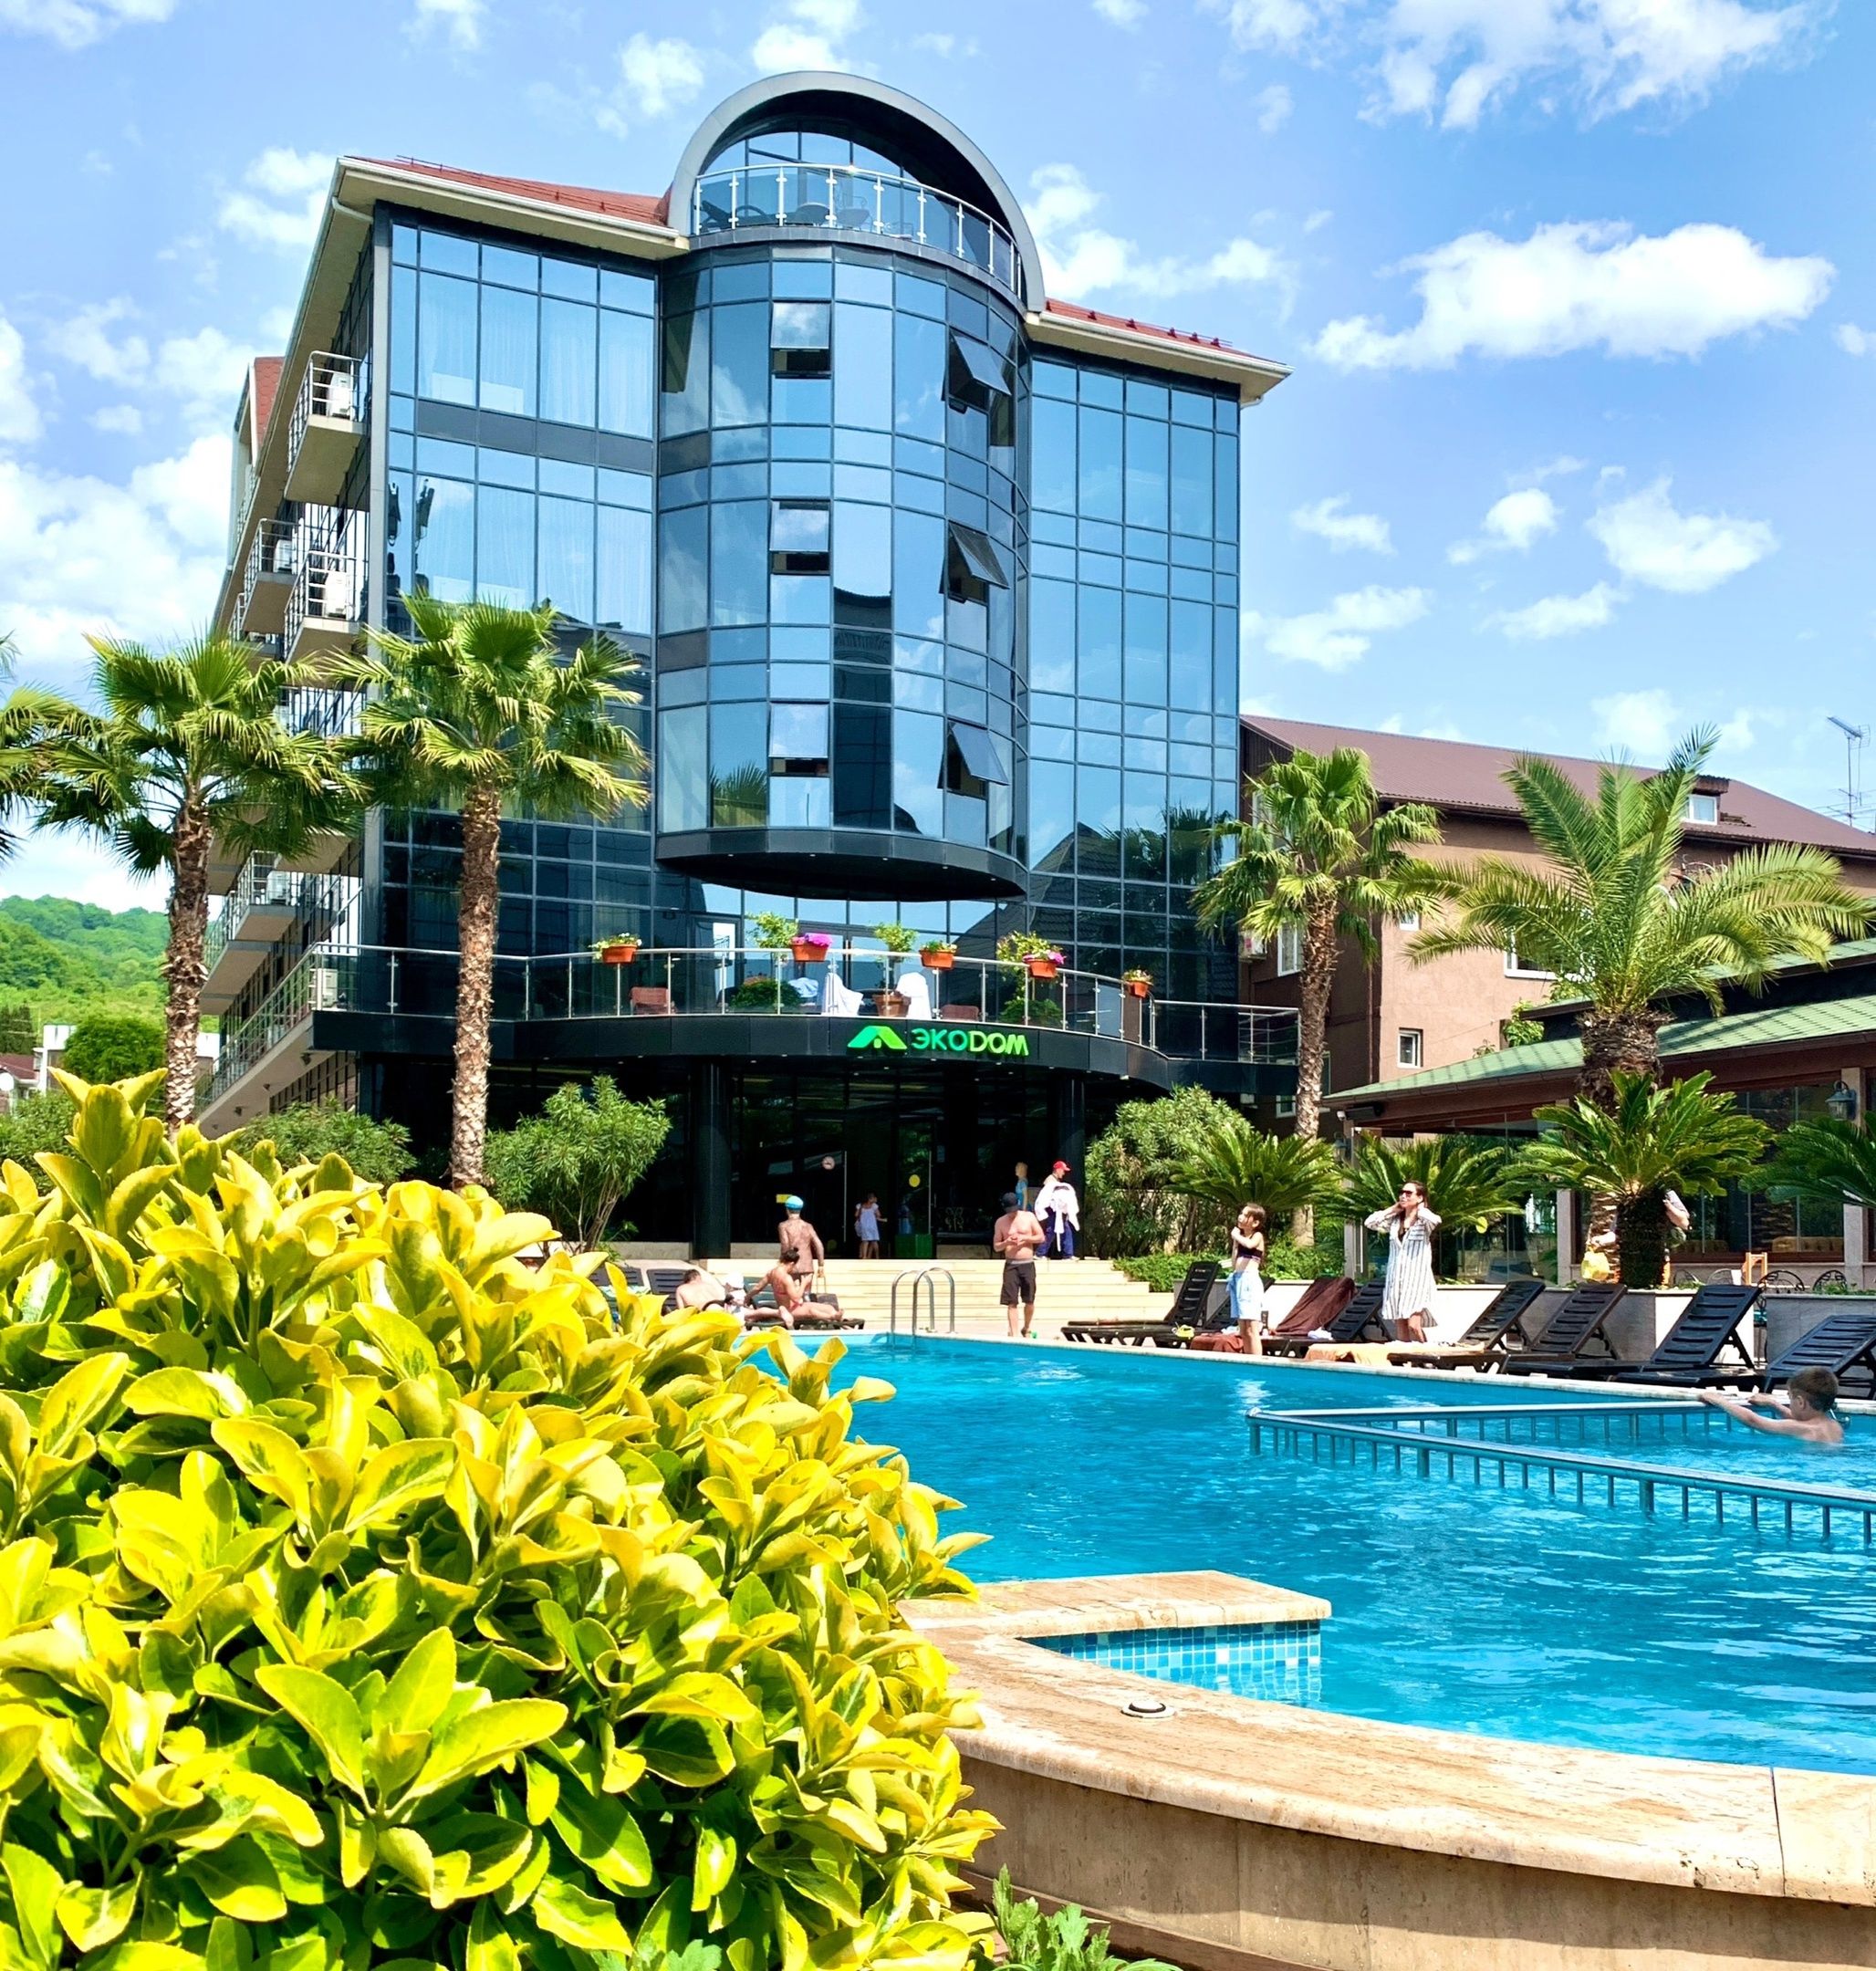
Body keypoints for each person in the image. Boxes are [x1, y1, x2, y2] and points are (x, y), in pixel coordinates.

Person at [1364, 1180, 1443, 1342]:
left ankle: (1426, 1354)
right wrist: (1393, 1209)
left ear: (1420, 1197)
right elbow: (1369, 1223)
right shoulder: (1395, 1221)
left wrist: (1420, 1209)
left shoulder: (1423, 1222)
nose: (1403, 1196)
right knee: (1400, 1325)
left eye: (1409, 1193)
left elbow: (1436, 1220)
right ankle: (1405, 1356)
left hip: (1417, 1281)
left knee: (1414, 1325)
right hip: (1396, 1280)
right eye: (1401, 1193)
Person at [1699, 1369, 1844, 1446]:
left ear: (1800, 1402)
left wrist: (1720, 1401)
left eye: (1790, 1397)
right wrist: (1773, 1405)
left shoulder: (1803, 1429)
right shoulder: (1834, 1426)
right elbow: (1801, 1420)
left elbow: (1753, 1420)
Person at [992, 1190, 1045, 1339]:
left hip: (1027, 1263)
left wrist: (1025, 1239)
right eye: (1009, 1211)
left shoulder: (1029, 1217)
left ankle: (1026, 1327)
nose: (1012, 1214)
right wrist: (1007, 1242)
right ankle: (1014, 1334)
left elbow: (1041, 1237)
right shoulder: (1000, 1222)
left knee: (1029, 1300)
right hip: (1011, 1265)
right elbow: (996, 1247)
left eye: (1014, 1210)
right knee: (1012, 1301)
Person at [1229, 1203, 1267, 1349]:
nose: (1241, 1217)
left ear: (1255, 1222)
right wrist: (1235, 1243)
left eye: (1246, 1215)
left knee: (1251, 1328)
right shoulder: (1240, 1238)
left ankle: (1257, 1360)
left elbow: (1250, 1245)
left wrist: (1236, 1236)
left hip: (1249, 1281)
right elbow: (1234, 1264)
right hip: (1238, 1280)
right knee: (1243, 1329)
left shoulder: (1257, 1236)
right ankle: (1247, 1358)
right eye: (1241, 1213)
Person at [1034, 1161, 1080, 1259]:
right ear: (1058, 1169)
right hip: (1054, 1211)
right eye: (1063, 1170)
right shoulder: (1050, 1181)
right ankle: (1040, 1253)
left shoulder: (1055, 1181)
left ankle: (1067, 1254)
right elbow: (1048, 1197)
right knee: (1052, 1231)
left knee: (1063, 1230)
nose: (1063, 1173)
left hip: (1059, 1211)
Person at [777, 1195, 824, 1293]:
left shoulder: (783, 1226)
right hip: (807, 1265)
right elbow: (818, 1244)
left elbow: (785, 1245)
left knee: (789, 1294)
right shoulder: (808, 1226)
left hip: (791, 1265)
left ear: (787, 1210)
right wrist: (821, 1265)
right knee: (806, 1295)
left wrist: (782, 1261)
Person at [758, 1264, 802, 1328]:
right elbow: (796, 1299)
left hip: (786, 1308)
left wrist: (747, 1298)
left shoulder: (772, 1273)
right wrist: (804, 1283)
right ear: (792, 1264)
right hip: (789, 1309)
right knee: (813, 1310)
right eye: (794, 1266)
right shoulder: (786, 1278)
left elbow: (758, 1288)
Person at [854, 1193, 881, 1260]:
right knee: (874, 1241)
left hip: (864, 1226)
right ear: (870, 1199)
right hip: (873, 1226)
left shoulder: (860, 1205)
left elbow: (856, 1215)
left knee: (865, 1241)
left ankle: (864, 1256)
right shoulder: (874, 1206)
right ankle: (877, 1257)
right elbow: (879, 1214)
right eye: (873, 1198)